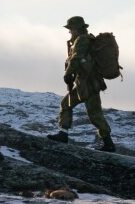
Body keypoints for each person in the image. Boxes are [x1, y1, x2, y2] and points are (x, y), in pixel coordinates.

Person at [46, 16, 115, 152]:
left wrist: (68, 73)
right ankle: (108, 143)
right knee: (89, 111)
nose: (69, 32)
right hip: (90, 82)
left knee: (73, 107)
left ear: (76, 28)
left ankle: (64, 135)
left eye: (70, 29)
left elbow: (76, 57)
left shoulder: (81, 40)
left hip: (87, 83)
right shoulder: (87, 39)